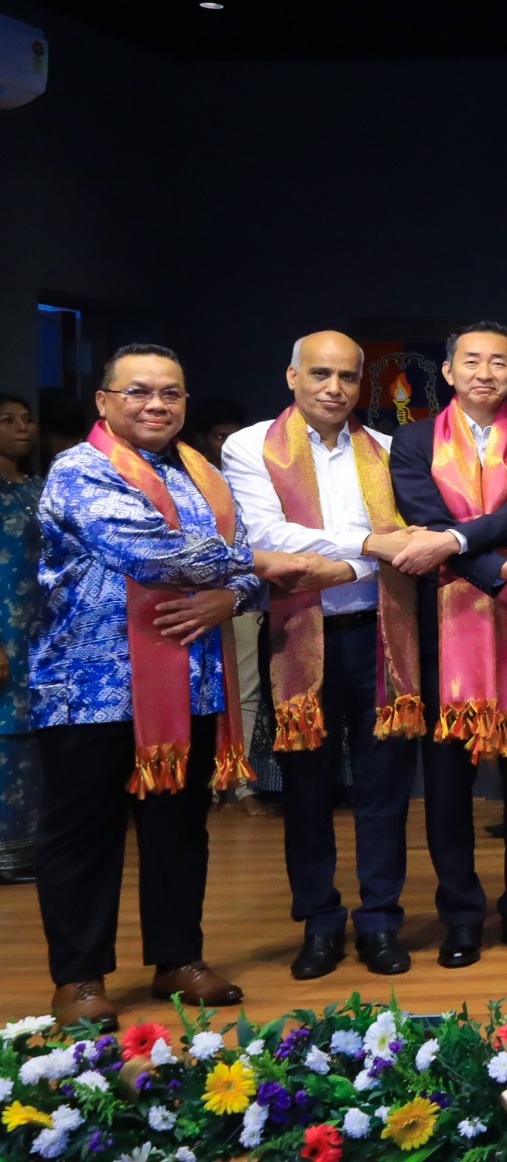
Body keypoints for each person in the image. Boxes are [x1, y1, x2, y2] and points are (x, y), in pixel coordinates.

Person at [32, 344, 314, 1024]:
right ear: (104, 401)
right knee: (84, 835)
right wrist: (262, 564)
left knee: (179, 829)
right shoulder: (80, 470)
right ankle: (80, 979)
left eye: (170, 393)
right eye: (138, 391)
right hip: (89, 687)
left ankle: (178, 959)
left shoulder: (199, 473)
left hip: (190, 682)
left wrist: (232, 595)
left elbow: (231, 574)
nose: (156, 404)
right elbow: (154, 551)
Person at [220, 331, 428, 978]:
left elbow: (409, 539)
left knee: (383, 789)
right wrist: (369, 546)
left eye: (347, 376)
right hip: (296, 635)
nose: (334, 388)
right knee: (306, 791)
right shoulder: (250, 446)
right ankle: (319, 922)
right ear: (292, 376)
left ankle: (380, 921)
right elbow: (267, 537)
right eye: (320, 374)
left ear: (362, 383)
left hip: (381, 633)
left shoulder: (389, 450)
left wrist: (342, 560)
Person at [387, 320, 507, 968]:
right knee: (446, 785)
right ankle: (461, 917)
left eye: (498, 362)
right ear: (448, 371)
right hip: (442, 627)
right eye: (471, 361)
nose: (484, 373)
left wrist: (459, 543)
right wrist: (492, 564)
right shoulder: (411, 441)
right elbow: (424, 520)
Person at [0, 394, 44, 886]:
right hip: (4, 630)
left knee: (34, 736)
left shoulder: (36, 487)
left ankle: (30, 850)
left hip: (40, 630)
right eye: (7, 420)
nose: (22, 428)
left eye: (27, 419)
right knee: (6, 736)